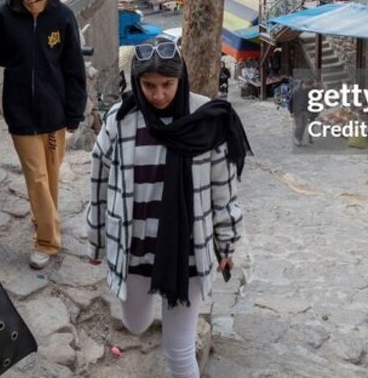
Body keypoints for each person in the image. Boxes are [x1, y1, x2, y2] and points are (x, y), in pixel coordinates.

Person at [87, 40, 250, 378]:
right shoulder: (121, 120)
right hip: (134, 249)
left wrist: (226, 243)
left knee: (178, 350)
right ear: (136, 82)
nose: (159, 95)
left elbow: (224, 190)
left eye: (167, 85)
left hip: (186, 252)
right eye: (149, 86)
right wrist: (97, 238)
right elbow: (99, 180)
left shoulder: (204, 119)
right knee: (135, 323)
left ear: (181, 79)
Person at [0, 0, 87, 270]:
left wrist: (74, 113)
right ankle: (47, 241)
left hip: (54, 114)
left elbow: (73, 70)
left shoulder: (63, 17)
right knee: (38, 177)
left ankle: (41, 217)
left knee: (50, 177)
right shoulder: (4, 16)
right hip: (20, 113)